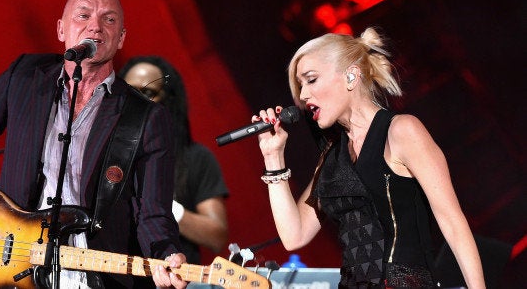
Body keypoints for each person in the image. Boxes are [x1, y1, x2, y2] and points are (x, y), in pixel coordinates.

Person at [0, 0, 187, 289]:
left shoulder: (146, 117)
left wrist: (167, 254)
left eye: (109, 20)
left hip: (93, 275)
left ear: (120, 38)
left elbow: (154, 213)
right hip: (10, 268)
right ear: (61, 30)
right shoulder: (24, 78)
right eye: (83, 16)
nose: (95, 26)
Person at [251, 27, 485, 288]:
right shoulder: (332, 156)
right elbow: (294, 236)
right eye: (301, 85)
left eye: (311, 79)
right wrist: (273, 157)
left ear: (351, 75)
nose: (304, 95)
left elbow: (453, 223)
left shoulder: (401, 131)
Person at [119, 56, 229, 265]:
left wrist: (160, 206)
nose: (137, 99)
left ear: (167, 101)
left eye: (149, 93)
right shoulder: (100, 151)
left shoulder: (195, 157)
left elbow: (216, 235)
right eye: (130, 90)